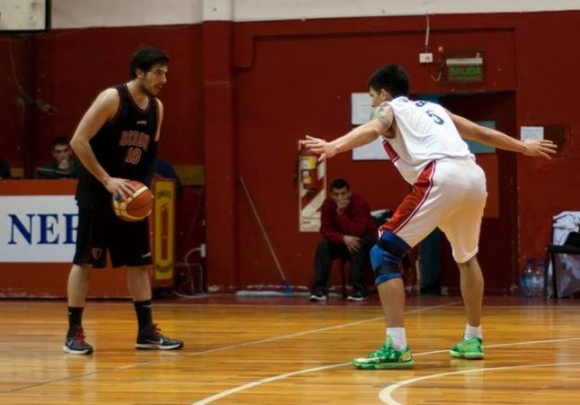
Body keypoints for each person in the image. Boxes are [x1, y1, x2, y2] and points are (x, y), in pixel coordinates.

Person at [303, 65, 557, 369]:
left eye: (372, 97)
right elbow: (481, 132)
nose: (372, 104)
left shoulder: (389, 108)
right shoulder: (433, 109)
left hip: (442, 175)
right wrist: (523, 147)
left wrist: (335, 146)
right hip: (473, 176)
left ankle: (396, 346)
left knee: (382, 252)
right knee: (467, 258)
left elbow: (372, 128)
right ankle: (473, 337)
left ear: (383, 93)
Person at [63, 45, 183, 354]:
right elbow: (78, 140)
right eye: (158, 73)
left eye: (166, 73)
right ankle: (74, 332)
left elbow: (150, 155)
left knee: (139, 264)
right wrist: (107, 180)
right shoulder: (112, 99)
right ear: (139, 72)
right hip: (97, 194)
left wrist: (142, 187)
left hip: (129, 196)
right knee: (85, 262)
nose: (164, 79)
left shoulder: (157, 107)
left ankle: (146, 331)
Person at [309, 178, 376, 302]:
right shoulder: (328, 204)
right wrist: (343, 238)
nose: (340, 198)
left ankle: (360, 290)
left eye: (343, 193)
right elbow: (325, 229)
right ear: (331, 195)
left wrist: (340, 214)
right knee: (323, 246)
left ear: (349, 193)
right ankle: (319, 289)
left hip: (365, 238)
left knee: (356, 244)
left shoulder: (360, 203)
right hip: (342, 239)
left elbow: (358, 231)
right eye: (336, 194)